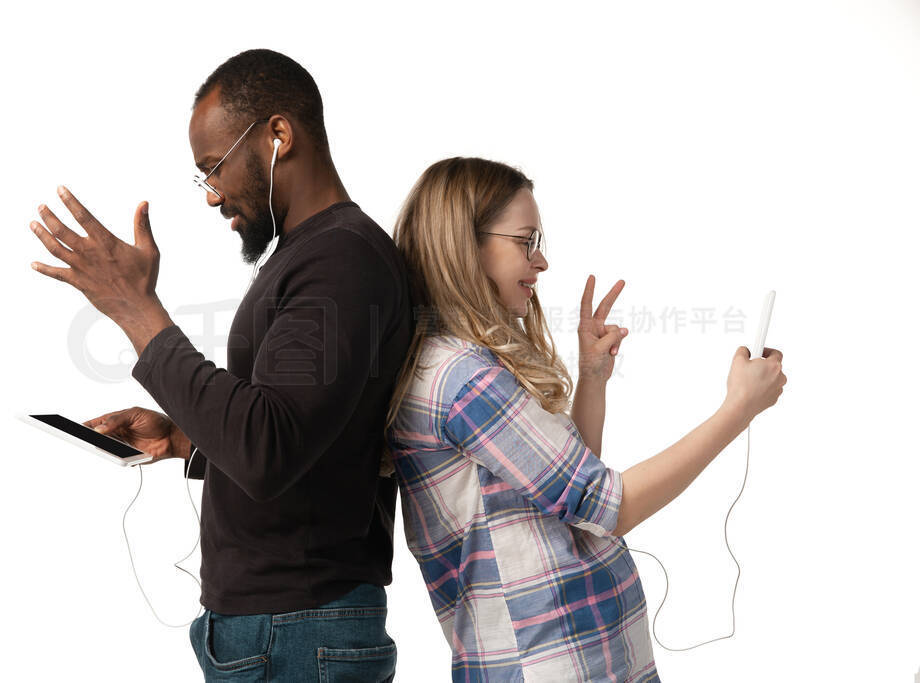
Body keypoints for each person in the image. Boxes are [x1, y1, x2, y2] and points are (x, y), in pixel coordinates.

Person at [384, 157, 786, 681]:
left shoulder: (463, 365)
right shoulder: (460, 378)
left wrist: (591, 377)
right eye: (525, 241)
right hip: (548, 666)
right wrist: (737, 411)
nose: (542, 260)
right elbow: (609, 506)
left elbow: (568, 497)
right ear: (467, 245)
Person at [80, 50, 412, 681]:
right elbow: (309, 439)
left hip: (297, 632)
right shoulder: (313, 255)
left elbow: (270, 447)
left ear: (278, 135)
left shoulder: (341, 260)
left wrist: (136, 308)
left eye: (214, 168)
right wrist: (184, 439)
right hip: (281, 631)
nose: (211, 195)